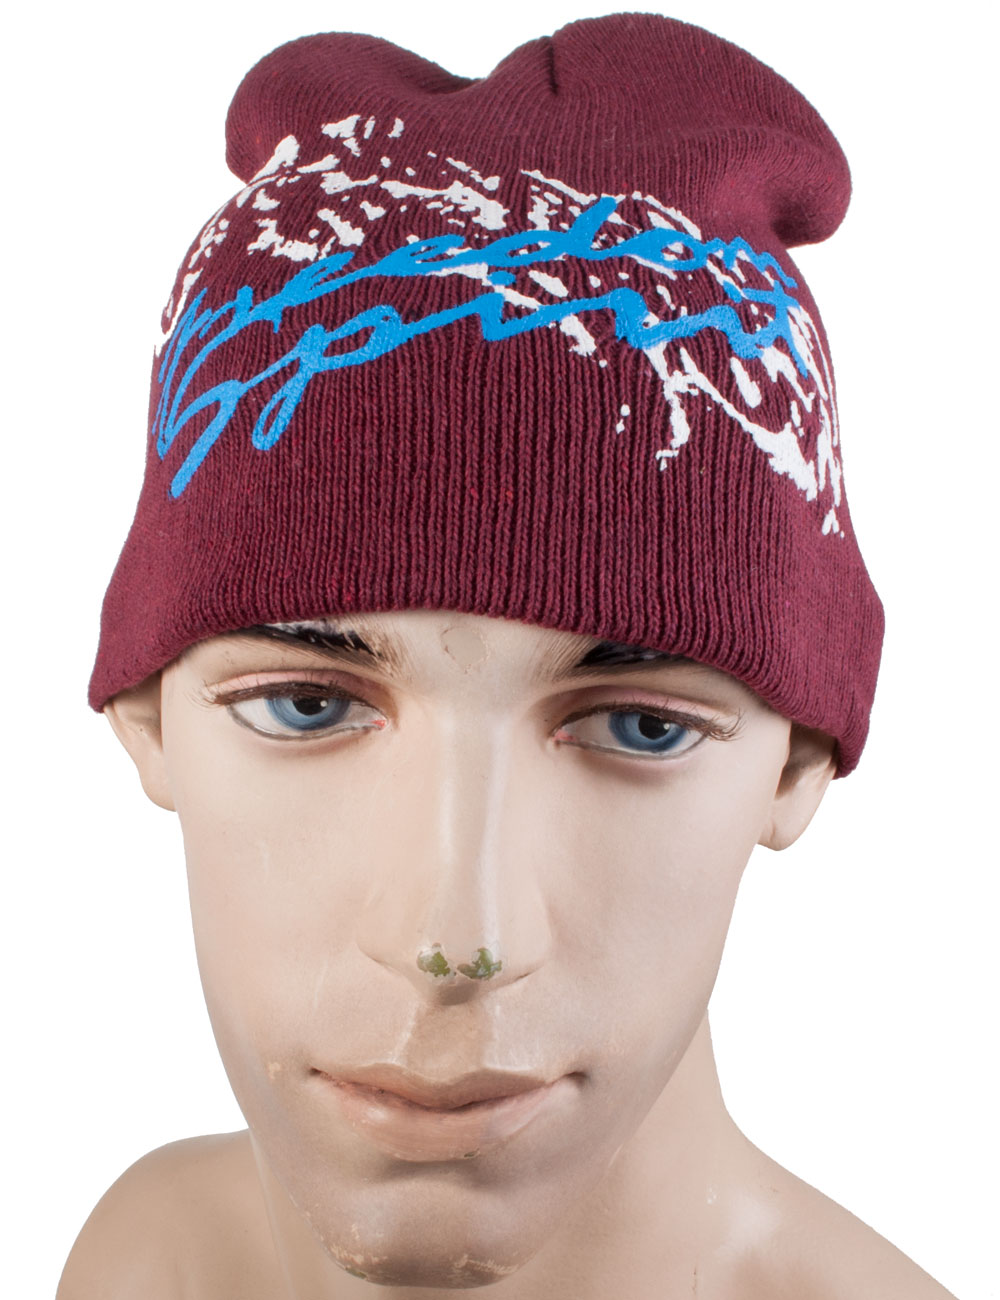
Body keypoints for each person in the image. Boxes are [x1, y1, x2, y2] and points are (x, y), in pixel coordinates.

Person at [57, 13, 957, 1297]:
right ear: (145, 714)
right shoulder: (149, 1259)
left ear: (801, 760)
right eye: (305, 704)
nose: (454, 937)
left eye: (641, 725)